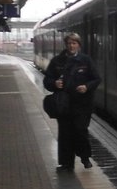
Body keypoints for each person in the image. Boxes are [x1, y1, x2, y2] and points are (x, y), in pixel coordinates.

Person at [42, 33, 101, 171]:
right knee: (65, 134)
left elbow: (96, 79)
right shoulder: (57, 61)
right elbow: (47, 80)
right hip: (63, 104)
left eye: (74, 43)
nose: (71, 46)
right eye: (69, 43)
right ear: (66, 44)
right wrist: (54, 83)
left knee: (80, 130)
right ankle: (66, 164)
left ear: (79, 45)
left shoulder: (85, 60)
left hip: (83, 104)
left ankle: (85, 157)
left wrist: (86, 87)